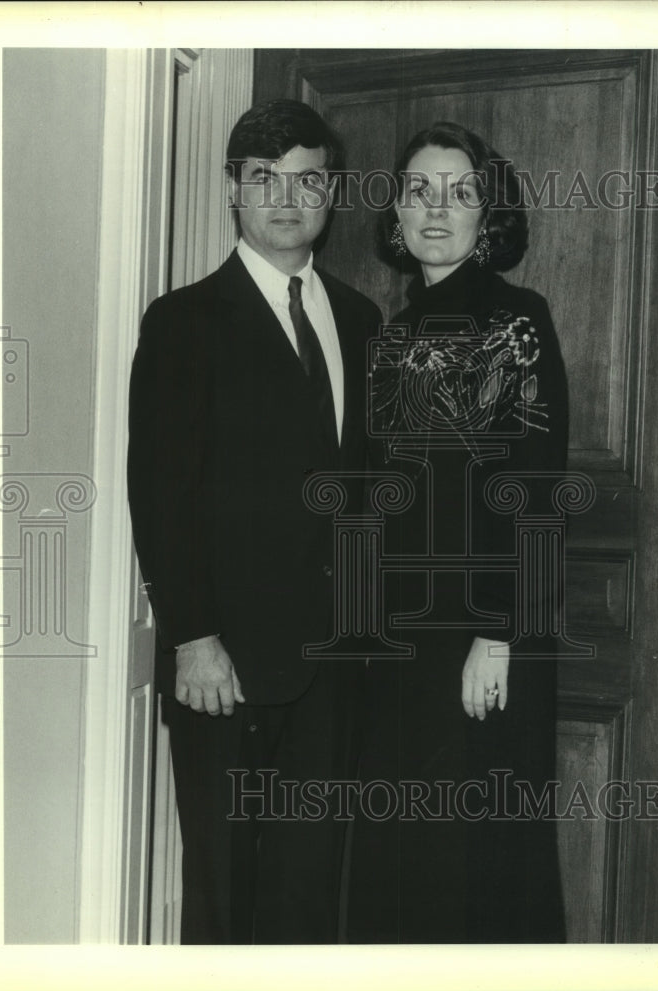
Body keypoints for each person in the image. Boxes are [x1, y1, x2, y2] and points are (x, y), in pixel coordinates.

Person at [127, 99, 381, 944]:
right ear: (233, 188)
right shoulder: (183, 321)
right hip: (225, 664)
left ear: (332, 192)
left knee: (312, 891)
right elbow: (161, 492)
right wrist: (192, 636)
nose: (285, 198)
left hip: (334, 663)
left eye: (306, 180)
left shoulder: (359, 319)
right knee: (226, 887)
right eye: (263, 178)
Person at [347, 122, 568, 944]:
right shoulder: (388, 335)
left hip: (479, 635)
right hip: (396, 641)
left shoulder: (516, 319)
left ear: (488, 214)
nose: (437, 207)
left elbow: (535, 488)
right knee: (403, 865)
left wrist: (499, 632)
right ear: (395, 215)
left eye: (460, 191)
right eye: (418, 190)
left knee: (470, 864)